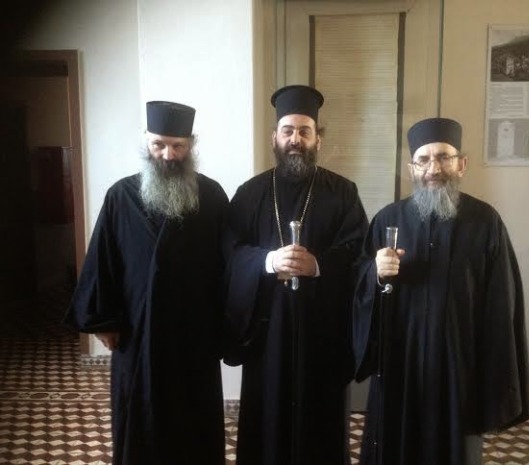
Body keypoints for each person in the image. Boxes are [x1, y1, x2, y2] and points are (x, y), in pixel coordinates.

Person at [352, 117, 529, 465]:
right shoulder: (387, 219)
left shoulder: (486, 222)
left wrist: (492, 372)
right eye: (423, 159)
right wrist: (374, 273)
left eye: (444, 157)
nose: (434, 168)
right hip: (400, 364)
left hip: (459, 366)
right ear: (412, 169)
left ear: (461, 164)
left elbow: (502, 302)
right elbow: (360, 284)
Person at [63, 101, 229, 465]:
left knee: (193, 423)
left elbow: (228, 266)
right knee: (139, 419)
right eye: (159, 145)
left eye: (178, 146)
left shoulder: (213, 197)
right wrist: (104, 321)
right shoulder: (120, 196)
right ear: (147, 143)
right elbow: (103, 260)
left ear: (190, 145)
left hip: (193, 335)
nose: (168, 155)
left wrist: (224, 327)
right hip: (137, 333)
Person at [225, 84, 369, 465]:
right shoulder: (250, 193)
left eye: (305, 131)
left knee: (319, 430)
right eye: (288, 130)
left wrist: (318, 266)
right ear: (274, 137)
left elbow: (359, 256)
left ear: (317, 138)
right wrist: (268, 262)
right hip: (267, 337)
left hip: (321, 336)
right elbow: (230, 254)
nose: (295, 139)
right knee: (266, 428)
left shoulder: (343, 193)